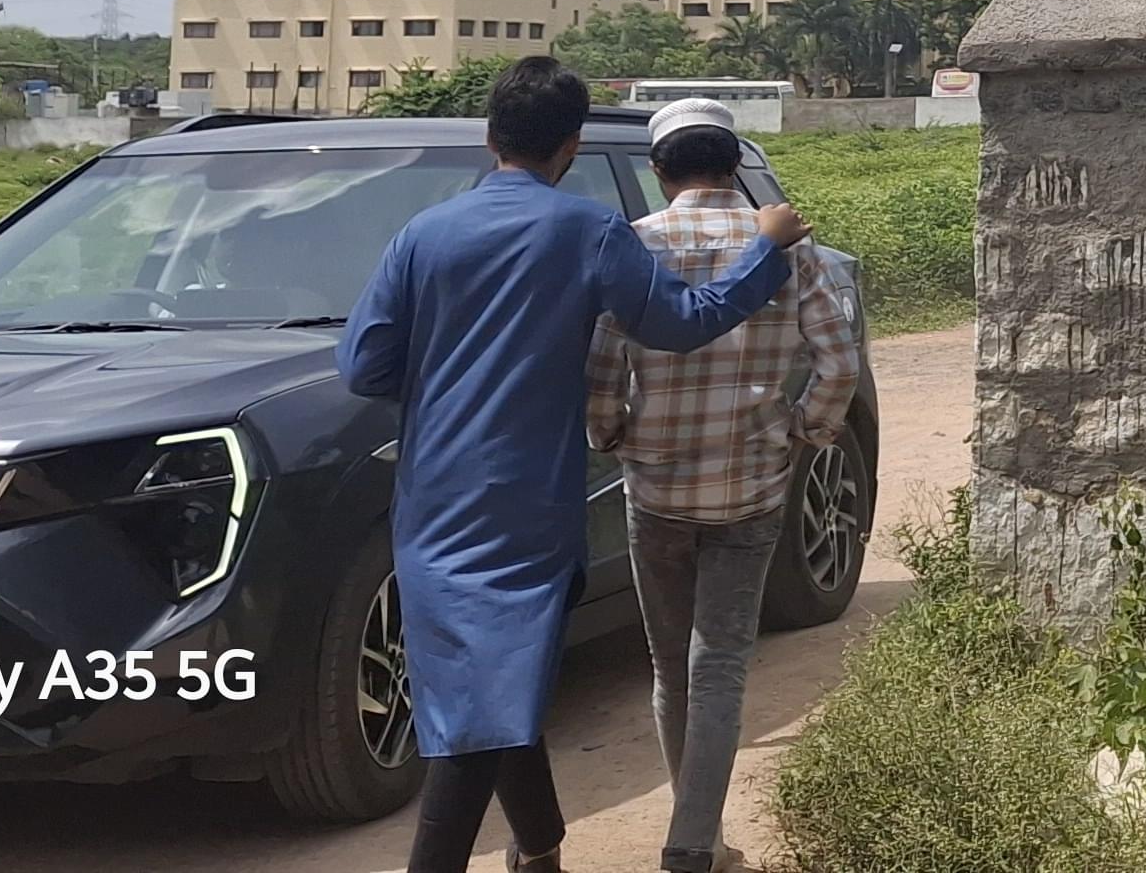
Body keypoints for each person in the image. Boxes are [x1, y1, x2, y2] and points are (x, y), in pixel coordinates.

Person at [340, 59, 811, 873]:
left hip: (433, 500)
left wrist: (452, 380)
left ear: (490, 138)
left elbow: (365, 366)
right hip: (528, 501)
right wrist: (763, 251)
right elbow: (680, 323)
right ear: (572, 145)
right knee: (486, 702)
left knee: (481, 687)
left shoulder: (423, 234)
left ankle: (542, 847)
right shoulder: (587, 231)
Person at [588, 101, 866, 873]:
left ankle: (697, 831)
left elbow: (603, 371)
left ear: (659, 171)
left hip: (657, 492)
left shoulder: (636, 247)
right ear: (733, 166)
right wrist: (805, 428)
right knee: (721, 665)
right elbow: (838, 364)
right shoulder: (786, 248)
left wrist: (611, 436)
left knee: (670, 665)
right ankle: (694, 841)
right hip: (750, 489)